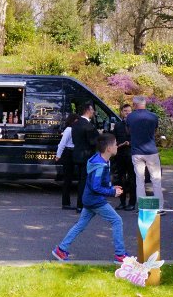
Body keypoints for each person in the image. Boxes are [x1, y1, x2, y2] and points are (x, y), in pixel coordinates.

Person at [51, 133, 130, 263]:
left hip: (88, 199)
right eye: (115, 144)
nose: (117, 146)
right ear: (109, 148)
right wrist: (111, 192)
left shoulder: (102, 160)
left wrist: (112, 187)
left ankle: (61, 249)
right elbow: (96, 186)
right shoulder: (100, 165)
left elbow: (100, 182)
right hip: (95, 200)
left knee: (80, 225)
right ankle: (120, 255)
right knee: (117, 221)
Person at [127, 96, 163, 212]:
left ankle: (142, 207)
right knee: (156, 179)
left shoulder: (130, 117)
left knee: (139, 180)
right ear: (144, 104)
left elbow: (128, 131)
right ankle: (159, 207)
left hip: (137, 151)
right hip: (151, 150)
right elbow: (155, 131)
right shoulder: (153, 116)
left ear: (134, 105)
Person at [71, 101, 98, 213]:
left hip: (77, 154)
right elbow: (93, 142)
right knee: (86, 181)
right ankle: (82, 205)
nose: (93, 112)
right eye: (92, 110)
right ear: (88, 110)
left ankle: (80, 204)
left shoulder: (75, 124)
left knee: (81, 180)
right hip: (87, 156)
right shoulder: (88, 126)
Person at [112, 104, 137, 211]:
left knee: (132, 180)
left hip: (132, 155)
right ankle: (122, 202)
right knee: (120, 180)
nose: (127, 113)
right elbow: (114, 140)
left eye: (129, 111)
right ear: (121, 112)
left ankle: (132, 203)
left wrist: (129, 143)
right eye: (125, 110)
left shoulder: (136, 125)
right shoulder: (117, 125)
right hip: (120, 156)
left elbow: (139, 140)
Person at [55, 113, 79, 210]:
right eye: (77, 120)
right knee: (67, 179)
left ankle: (67, 203)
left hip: (73, 152)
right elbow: (62, 143)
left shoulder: (74, 129)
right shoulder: (69, 129)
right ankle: (65, 203)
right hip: (68, 153)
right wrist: (58, 155)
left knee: (70, 178)